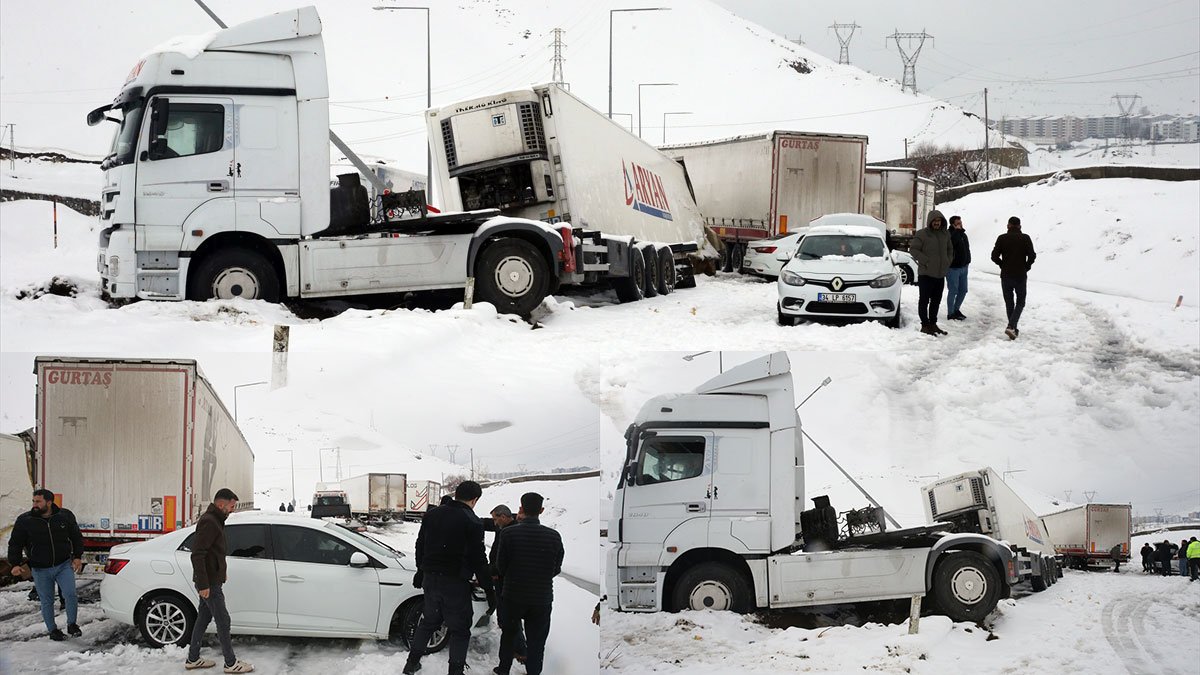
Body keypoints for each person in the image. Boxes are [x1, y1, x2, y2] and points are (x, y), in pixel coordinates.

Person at [403, 481, 495, 675]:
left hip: (431, 579)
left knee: (429, 622)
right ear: (474, 500)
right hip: (455, 583)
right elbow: (479, 559)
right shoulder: (472, 521)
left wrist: (421, 570)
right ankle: (456, 671)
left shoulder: (432, 514)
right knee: (460, 629)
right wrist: (488, 589)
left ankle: (411, 663)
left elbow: (421, 544)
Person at [493, 492, 565, 675]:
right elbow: (556, 569)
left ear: (521, 509)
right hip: (541, 598)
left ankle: (503, 670)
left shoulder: (508, 534)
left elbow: (501, 567)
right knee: (537, 642)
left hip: (513, 596)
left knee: (508, 636)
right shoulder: (554, 536)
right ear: (541, 510)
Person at [185, 488, 253, 673]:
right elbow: (197, 555)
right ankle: (231, 663)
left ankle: (193, 658)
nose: (232, 510)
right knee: (223, 620)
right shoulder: (210, 522)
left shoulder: (216, 520)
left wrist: (220, 572)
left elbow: (213, 553)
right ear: (221, 504)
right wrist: (203, 584)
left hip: (212, 579)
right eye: (231, 506)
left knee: (203, 618)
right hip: (209, 584)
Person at [7, 488, 83, 641]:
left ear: (49, 502)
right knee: (47, 600)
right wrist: (15, 564)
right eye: (33, 501)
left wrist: (77, 557)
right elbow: (15, 543)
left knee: (70, 594)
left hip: (63, 565)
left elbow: (76, 536)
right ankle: (52, 630)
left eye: (38, 501)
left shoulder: (64, 516)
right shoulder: (25, 520)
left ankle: (72, 624)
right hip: (40, 569)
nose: (34, 504)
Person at [486, 505, 526, 664]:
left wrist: (493, 571)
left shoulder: (512, 531)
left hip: (506, 580)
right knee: (506, 616)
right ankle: (518, 647)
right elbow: (484, 523)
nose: (494, 523)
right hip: (501, 578)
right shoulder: (503, 526)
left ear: (503, 517)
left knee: (509, 616)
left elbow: (507, 559)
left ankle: (521, 651)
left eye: (496, 519)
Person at [908, 210, 954, 336]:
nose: (937, 223)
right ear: (930, 221)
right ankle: (925, 325)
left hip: (940, 275)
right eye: (935, 221)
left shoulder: (945, 234)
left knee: (936, 301)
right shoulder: (922, 234)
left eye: (939, 221)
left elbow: (950, 249)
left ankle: (933, 324)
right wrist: (926, 261)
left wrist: (948, 261)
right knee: (924, 301)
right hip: (926, 274)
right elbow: (913, 249)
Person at [990, 216, 1037, 340]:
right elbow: (1032, 255)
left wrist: (1002, 264)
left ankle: (1013, 328)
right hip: (1020, 275)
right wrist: (1026, 267)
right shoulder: (1025, 238)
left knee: (1009, 302)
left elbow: (994, 256)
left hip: (1006, 275)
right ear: (1020, 226)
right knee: (1020, 302)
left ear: (1008, 226)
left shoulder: (1002, 238)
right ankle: (1011, 326)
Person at [945, 215, 971, 320]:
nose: (960, 224)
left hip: (964, 267)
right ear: (952, 224)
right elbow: (951, 244)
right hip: (953, 268)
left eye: (961, 222)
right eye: (958, 223)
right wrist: (956, 231)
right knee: (953, 290)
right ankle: (950, 313)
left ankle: (956, 309)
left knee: (963, 290)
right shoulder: (949, 234)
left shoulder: (963, 235)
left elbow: (967, 248)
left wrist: (968, 260)